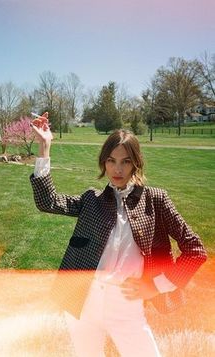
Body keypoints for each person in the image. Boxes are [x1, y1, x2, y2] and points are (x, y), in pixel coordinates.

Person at [30, 113, 207, 357]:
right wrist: (45, 147)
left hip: (126, 304)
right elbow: (47, 201)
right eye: (111, 161)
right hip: (83, 300)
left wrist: (156, 286)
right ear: (104, 163)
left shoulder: (156, 200)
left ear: (136, 163)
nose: (117, 168)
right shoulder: (92, 200)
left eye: (125, 161)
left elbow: (195, 250)